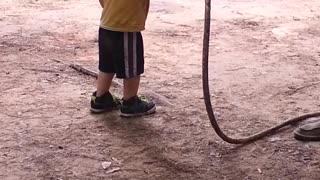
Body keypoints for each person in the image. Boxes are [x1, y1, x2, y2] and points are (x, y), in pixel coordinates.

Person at [90, 0, 156, 117]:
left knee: (107, 65)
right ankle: (130, 102)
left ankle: (101, 98)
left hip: (107, 23)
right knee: (132, 66)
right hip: (126, 26)